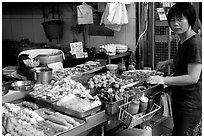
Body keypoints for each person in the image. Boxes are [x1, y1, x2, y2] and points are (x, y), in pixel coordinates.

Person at [148, 2, 202, 136]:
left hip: (190, 104)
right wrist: (168, 62)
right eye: (172, 20)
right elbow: (186, 61)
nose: (175, 23)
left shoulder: (194, 43)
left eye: (180, 19)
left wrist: (163, 79)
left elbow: (193, 77)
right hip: (181, 100)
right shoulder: (183, 41)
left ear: (190, 19)